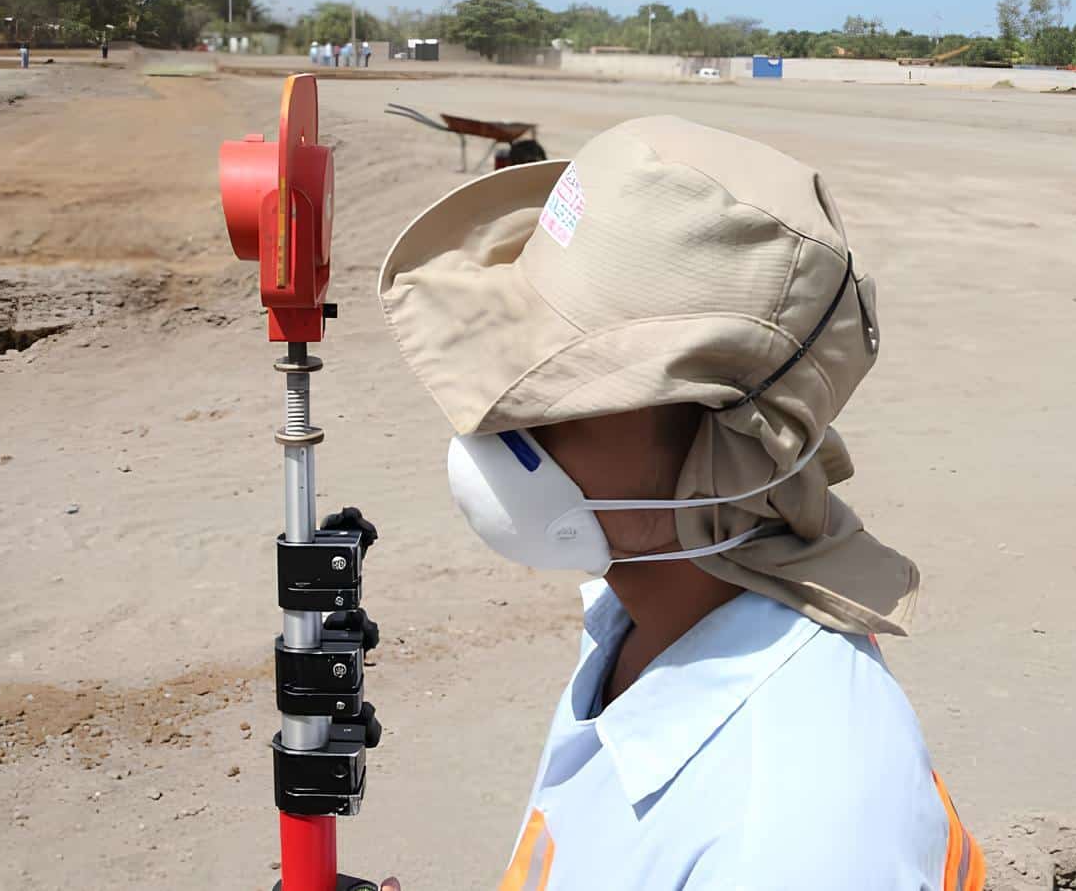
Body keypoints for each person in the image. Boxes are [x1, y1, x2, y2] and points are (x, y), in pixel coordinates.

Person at [377, 116, 983, 891]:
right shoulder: (641, 612)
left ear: (725, 450)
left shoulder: (787, 836)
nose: (492, 418)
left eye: (552, 393)